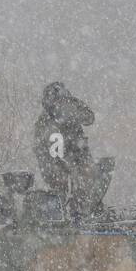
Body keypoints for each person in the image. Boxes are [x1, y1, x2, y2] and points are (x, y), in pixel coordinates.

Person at [34, 82, 98, 219]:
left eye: (63, 101)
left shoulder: (73, 110)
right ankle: (65, 214)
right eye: (57, 101)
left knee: (85, 180)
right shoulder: (44, 121)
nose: (60, 105)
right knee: (60, 186)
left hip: (78, 157)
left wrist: (73, 111)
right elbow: (40, 149)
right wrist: (50, 165)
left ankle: (79, 213)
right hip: (56, 162)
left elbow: (90, 118)